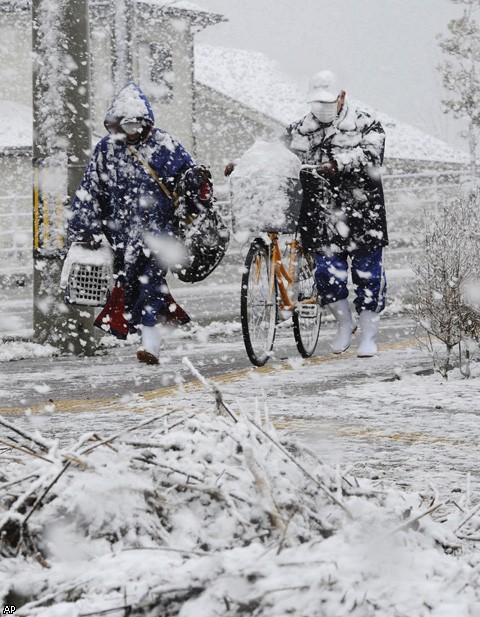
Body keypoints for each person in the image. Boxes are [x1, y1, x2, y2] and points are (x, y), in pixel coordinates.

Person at [68, 82, 210, 365]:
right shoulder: (106, 150)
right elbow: (91, 190)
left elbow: (192, 181)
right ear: (115, 123)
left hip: (160, 232)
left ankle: (151, 345)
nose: (133, 130)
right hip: (121, 235)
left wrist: (196, 198)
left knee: (152, 282)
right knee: (133, 285)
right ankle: (159, 324)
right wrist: (85, 229)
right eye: (127, 124)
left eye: (138, 124)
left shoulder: (166, 145)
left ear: (147, 122)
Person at [281, 69, 388, 357]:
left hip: (363, 212)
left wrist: (339, 163)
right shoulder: (298, 131)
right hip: (320, 214)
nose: (321, 108)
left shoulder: (367, 125)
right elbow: (276, 155)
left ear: (341, 98)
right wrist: (244, 163)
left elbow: (371, 155)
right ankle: (344, 323)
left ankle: (369, 333)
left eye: (327, 102)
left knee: (368, 276)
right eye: (316, 103)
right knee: (327, 275)